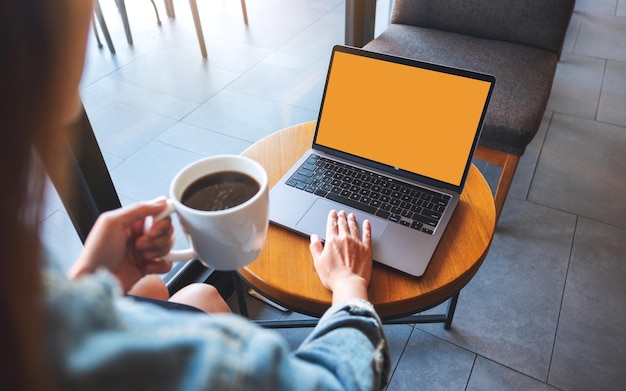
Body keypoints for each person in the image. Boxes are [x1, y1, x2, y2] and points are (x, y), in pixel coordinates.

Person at [0, 1, 390, 390]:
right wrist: (350, 285)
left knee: (182, 291)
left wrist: (86, 284)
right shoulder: (226, 363)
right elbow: (340, 382)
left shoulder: (26, 297)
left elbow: (49, 322)